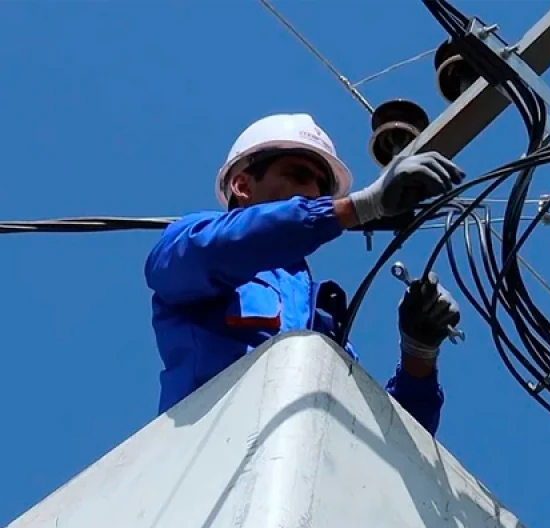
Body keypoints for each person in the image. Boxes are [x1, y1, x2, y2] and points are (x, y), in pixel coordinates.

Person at [144, 112, 465, 435]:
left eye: (323, 188)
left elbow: (390, 447)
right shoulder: (189, 241)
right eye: (298, 175)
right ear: (242, 184)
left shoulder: (321, 317)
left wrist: (418, 356)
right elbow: (220, 248)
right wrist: (363, 205)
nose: (314, 192)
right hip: (208, 456)